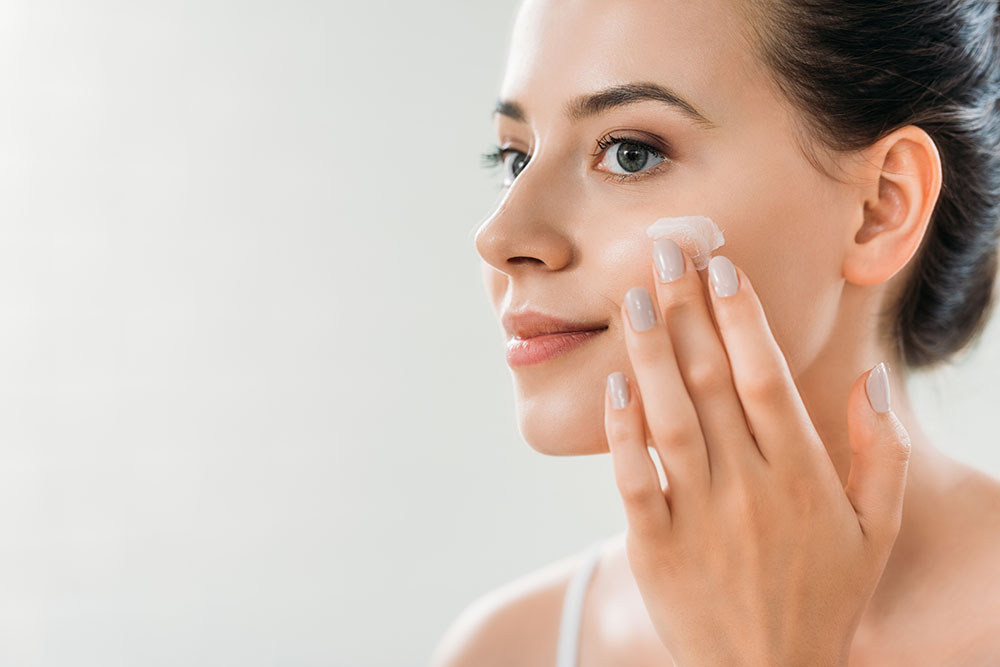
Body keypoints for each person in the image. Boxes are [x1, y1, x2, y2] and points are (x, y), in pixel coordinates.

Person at [432, 0, 1000, 664]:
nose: (499, 237)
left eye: (631, 154)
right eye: (514, 157)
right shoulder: (503, 650)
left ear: (881, 207)